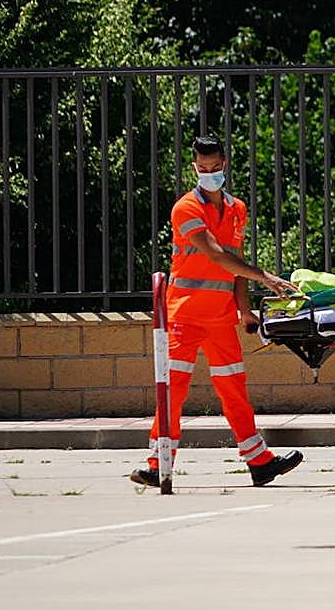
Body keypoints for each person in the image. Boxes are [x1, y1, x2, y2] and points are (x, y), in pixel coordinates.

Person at [130, 135, 304, 488]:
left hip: (221, 318)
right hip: (184, 314)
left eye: (215, 167)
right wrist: (266, 276)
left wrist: (245, 311)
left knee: (234, 389)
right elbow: (215, 255)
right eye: (202, 168)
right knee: (172, 389)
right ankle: (156, 464)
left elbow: (234, 266)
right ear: (195, 167)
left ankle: (259, 462)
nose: (209, 173)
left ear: (225, 164)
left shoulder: (237, 208)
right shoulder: (185, 209)